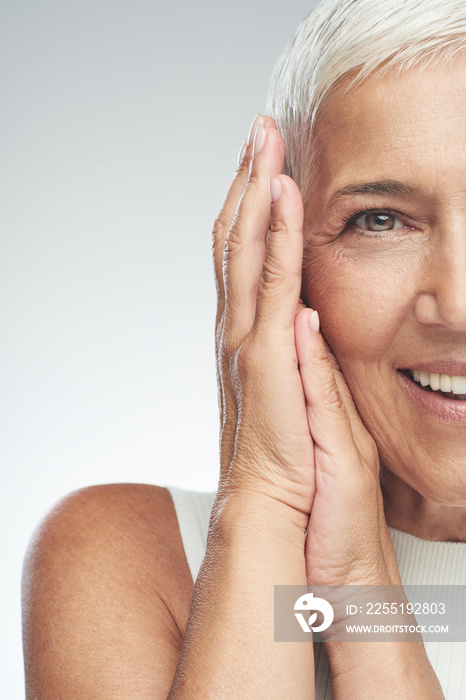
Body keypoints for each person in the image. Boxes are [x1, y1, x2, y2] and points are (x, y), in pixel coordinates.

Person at [22, 0, 466, 697]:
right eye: (380, 220)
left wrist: (363, 598)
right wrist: (264, 496)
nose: (458, 303)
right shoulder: (132, 560)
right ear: (276, 253)